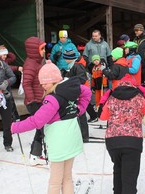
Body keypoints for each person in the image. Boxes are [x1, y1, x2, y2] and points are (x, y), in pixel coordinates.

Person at [11, 61, 92, 194]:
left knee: (55, 181)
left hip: (59, 143)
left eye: (45, 83)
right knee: (67, 178)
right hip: (72, 140)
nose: (43, 86)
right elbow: (87, 92)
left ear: (54, 80)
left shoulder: (53, 98)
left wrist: (16, 127)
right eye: (41, 83)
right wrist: (78, 109)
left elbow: (37, 121)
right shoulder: (71, 88)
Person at [99, 79, 145, 194]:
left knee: (118, 170)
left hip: (113, 141)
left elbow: (102, 116)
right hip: (132, 141)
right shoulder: (138, 97)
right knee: (129, 176)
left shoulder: (112, 98)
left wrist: (104, 99)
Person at [22, 37, 47, 165]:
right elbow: (26, 83)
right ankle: (35, 155)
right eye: (41, 49)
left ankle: (35, 154)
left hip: (40, 100)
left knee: (42, 129)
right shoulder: (30, 64)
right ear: (34, 50)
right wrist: (33, 101)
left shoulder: (38, 62)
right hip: (34, 103)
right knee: (42, 128)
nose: (44, 51)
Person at [62, 49, 92, 141]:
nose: (64, 60)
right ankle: (81, 134)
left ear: (69, 58)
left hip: (81, 91)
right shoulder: (73, 65)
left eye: (65, 58)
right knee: (77, 112)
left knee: (81, 112)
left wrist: (69, 81)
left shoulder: (77, 66)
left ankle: (84, 136)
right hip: (77, 90)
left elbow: (81, 79)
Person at [0, 45, 21, 121]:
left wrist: (5, 51)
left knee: (11, 102)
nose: (5, 56)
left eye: (6, 55)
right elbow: (7, 68)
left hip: (7, 84)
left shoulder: (5, 60)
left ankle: (16, 118)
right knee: (1, 104)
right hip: (0, 85)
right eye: (3, 55)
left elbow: (13, 57)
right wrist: (17, 68)